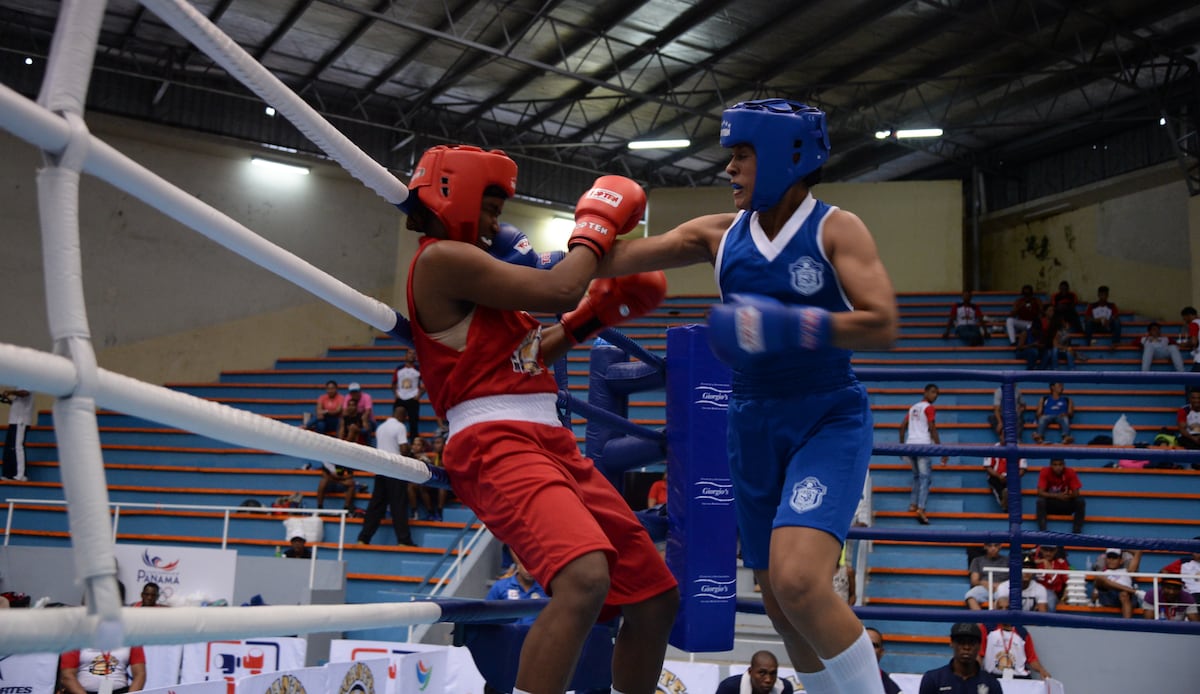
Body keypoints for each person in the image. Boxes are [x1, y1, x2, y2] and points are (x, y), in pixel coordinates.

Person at [597, 99, 898, 694]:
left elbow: (883, 322)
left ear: (788, 158)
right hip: (752, 421)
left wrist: (796, 325)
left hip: (825, 416)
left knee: (802, 581)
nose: (729, 170)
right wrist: (581, 235)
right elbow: (611, 261)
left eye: (741, 156)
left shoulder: (836, 228)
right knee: (782, 605)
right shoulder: (720, 233)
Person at [403, 143, 679, 694]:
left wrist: (595, 318)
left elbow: (528, 354)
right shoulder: (440, 260)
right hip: (495, 441)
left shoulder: (487, 274)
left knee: (654, 598)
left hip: (551, 442)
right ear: (451, 192)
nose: (495, 222)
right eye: (490, 206)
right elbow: (560, 289)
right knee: (583, 579)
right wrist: (595, 226)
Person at [357, 404, 416, 546]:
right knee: (398, 505)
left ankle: (363, 538)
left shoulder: (381, 427)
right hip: (395, 469)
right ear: (403, 415)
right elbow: (403, 449)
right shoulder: (400, 427)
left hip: (380, 468)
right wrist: (411, 451)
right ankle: (403, 540)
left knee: (376, 505)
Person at [899, 384, 947, 524]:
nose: (935, 396)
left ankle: (913, 504)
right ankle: (921, 508)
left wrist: (901, 446)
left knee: (916, 476)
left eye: (937, 393)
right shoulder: (929, 408)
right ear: (925, 392)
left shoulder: (913, 407)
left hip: (910, 445)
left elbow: (902, 427)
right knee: (925, 478)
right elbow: (932, 428)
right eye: (933, 392)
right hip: (923, 445)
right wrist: (941, 449)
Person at [917, 622, 1002, 694]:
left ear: (980, 646)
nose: (966, 647)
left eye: (971, 642)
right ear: (952, 643)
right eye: (961, 642)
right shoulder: (933, 679)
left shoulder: (991, 683)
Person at [485, 554, 548, 626]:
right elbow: (487, 614)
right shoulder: (500, 586)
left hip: (535, 636)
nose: (529, 571)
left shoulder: (545, 588)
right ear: (518, 565)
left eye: (533, 567)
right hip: (507, 635)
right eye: (526, 566)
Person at [982, 622, 1052, 680]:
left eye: (1007, 608)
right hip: (993, 677)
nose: (1004, 611)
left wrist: (1042, 670)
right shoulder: (988, 629)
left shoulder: (1022, 633)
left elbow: (1032, 659)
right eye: (1000, 608)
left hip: (1018, 678)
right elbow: (979, 654)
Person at [1035, 458, 1085, 534]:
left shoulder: (1070, 472)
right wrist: (1057, 496)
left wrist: (1066, 496)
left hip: (1065, 503)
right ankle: (1043, 532)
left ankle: (1076, 532)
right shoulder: (1045, 471)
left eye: (1060, 464)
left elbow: (1076, 493)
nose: (1058, 467)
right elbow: (1040, 492)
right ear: (1051, 465)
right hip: (1051, 505)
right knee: (1040, 501)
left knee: (1080, 501)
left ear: (1064, 465)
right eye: (1055, 465)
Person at [1094, 548, 1145, 618]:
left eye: (1114, 558)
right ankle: (1135, 592)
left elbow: (1138, 551)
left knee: (1124, 594)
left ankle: (1127, 625)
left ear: (1121, 561)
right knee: (1099, 578)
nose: (1111, 560)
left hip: (1126, 597)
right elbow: (1096, 591)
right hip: (1109, 597)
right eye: (1109, 557)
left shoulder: (1127, 571)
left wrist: (1121, 548)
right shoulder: (1103, 573)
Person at [715, 650, 794, 694]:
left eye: (773, 673)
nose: (768, 680)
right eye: (762, 673)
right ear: (750, 671)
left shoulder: (784, 688)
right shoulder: (729, 688)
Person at [964, 543, 1008, 610]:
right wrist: (985, 583)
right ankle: (980, 619)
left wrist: (1001, 585)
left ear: (1000, 546)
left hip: (1002, 588)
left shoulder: (1008, 561)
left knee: (1004, 601)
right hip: (985, 587)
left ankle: (999, 620)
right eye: (990, 546)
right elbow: (974, 580)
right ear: (985, 547)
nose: (993, 548)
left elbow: (1014, 580)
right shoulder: (977, 560)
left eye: (996, 546)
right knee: (970, 596)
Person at [1, 386, 33, 481]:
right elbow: (19, 401)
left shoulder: (29, 380)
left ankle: (20, 475)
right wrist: (8, 400)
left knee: (18, 447)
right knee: (10, 447)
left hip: (21, 420)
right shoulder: (20, 384)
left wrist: (10, 392)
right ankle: (9, 474)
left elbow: (25, 393)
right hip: (14, 420)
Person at [391, 352, 424, 437]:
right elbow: (393, 383)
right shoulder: (399, 369)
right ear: (405, 356)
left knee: (413, 423)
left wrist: (418, 395)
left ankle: (413, 445)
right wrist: (396, 394)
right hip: (400, 398)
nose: (411, 355)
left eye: (413, 354)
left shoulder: (419, 369)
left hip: (413, 398)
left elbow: (426, 384)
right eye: (409, 353)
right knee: (395, 422)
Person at [1159, 537, 1200, 602]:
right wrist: (1178, 583)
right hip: (1190, 594)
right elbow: (1163, 571)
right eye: (1196, 550)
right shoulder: (1183, 562)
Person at [863, 628, 902, 694]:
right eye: (865, 644)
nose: (869, 648)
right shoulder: (840, 681)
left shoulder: (892, 690)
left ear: (881, 652)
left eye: (874, 645)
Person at [1032, 545, 1070, 611]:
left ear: (1056, 551)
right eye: (1045, 550)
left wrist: (1063, 599)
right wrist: (1042, 561)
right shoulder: (1033, 561)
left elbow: (1068, 584)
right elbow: (1021, 559)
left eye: (1051, 550)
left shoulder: (1061, 563)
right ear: (1040, 549)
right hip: (1033, 592)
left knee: (1049, 598)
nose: (1048, 553)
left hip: (1052, 593)